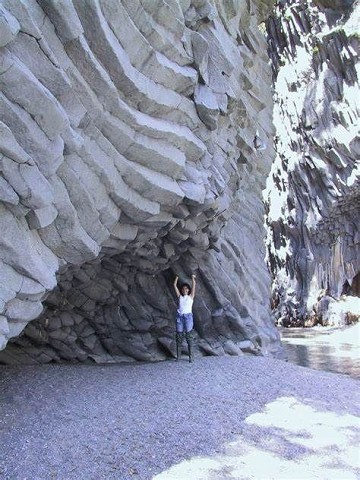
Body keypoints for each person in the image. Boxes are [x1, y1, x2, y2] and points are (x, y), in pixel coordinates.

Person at [173, 274, 196, 362]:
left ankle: (191, 357)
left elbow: (194, 286)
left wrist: (193, 278)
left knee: (189, 336)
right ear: (181, 290)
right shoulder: (180, 297)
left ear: (188, 290)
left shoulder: (191, 297)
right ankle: (178, 357)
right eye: (183, 289)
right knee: (179, 337)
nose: (184, 290)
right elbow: (174, 285)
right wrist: (177, 277)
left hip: (188, 317)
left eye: (186, 289)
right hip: (180, 317)